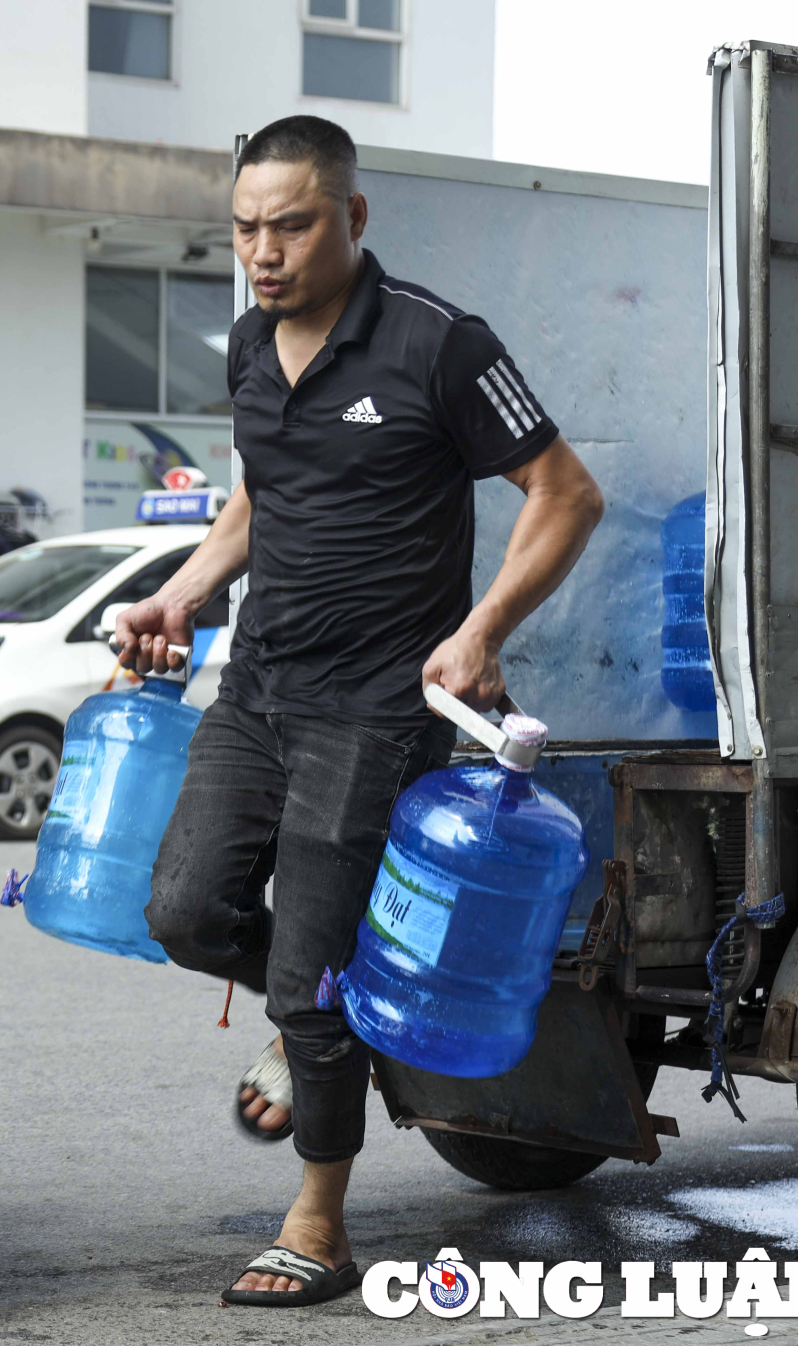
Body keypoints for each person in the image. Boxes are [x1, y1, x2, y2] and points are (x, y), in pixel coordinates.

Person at [115, 116, 604, 1308]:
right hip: (259, 688)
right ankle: (325, 1005)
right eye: (242, 229)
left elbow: (564, 492)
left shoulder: (434, 341)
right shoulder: (244, 347)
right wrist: (176, 595)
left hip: (376, 707)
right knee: (182, 909)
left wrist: (478, 628)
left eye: (289, 224)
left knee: (304, 978)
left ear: (350, 217)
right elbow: (252, 505)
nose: (262, 251)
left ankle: (317, 1224)